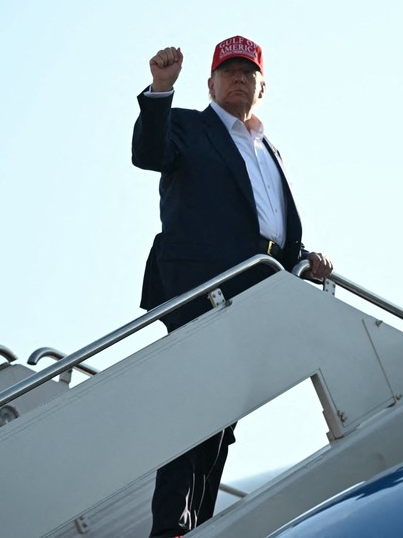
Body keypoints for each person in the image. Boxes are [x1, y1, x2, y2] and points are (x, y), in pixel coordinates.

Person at [132, 35, 333, 537]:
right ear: (211, 83)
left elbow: (270, 228)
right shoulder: (188, 125)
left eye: (248, 72)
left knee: (223, 415)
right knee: (194, 402)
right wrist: (161, 89)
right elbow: (148, 152)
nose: (238, 78)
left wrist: (303, 261)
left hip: (256, 291)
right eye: (228, 71)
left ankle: (197, 521)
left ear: (262, 87)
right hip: (199, 285)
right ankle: (171, 525)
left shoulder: (269, 149)